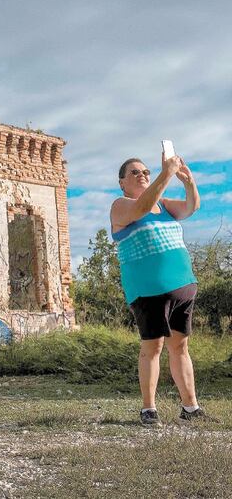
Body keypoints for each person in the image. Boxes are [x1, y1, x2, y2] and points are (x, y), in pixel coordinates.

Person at [110, 151, 205, 426]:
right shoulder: (121, 206)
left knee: (181, 346)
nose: (142, 175)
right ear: (122, 183)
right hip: (147, 290)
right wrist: (166, 174)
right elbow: (141, 208)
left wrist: (188, 181)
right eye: (135, 173)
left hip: (183, 287)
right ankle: (148, 409)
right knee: (152, 347)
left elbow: (191, 207)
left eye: (146, 172)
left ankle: (190, 407)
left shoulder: (163, 204)